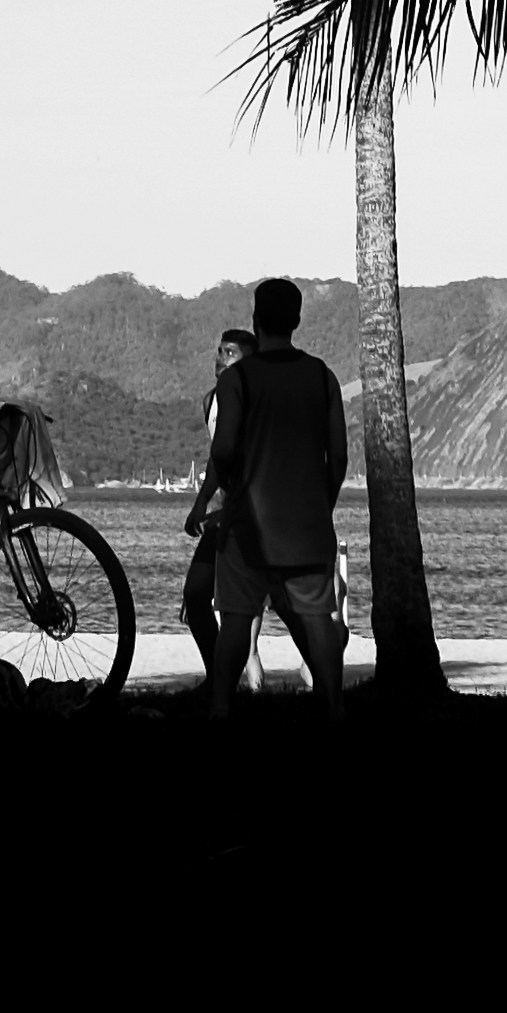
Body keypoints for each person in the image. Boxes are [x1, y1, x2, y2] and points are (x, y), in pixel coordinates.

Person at [205, 276, 349, 715]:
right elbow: (338, 455)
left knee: (235, 621)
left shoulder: (238, 380)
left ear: (256, 318)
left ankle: (220, 708)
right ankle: (334, 705)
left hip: (250, 523)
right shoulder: (322, 378)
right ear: (298, 320)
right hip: (306, 524)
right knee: (317, 619)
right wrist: (322, 504)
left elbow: (224, 448)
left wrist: (220, 498)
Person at [180, 325, 256, 681]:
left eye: (230, 353)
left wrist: (221, 511)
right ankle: (218, 682)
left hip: (257, 517)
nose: (220, 359)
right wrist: (203, 506)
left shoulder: (258, 404)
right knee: (196, 596)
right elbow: (218, 458)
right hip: (225, 515)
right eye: (219, 351)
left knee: (282, 609)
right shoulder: (211, 401)